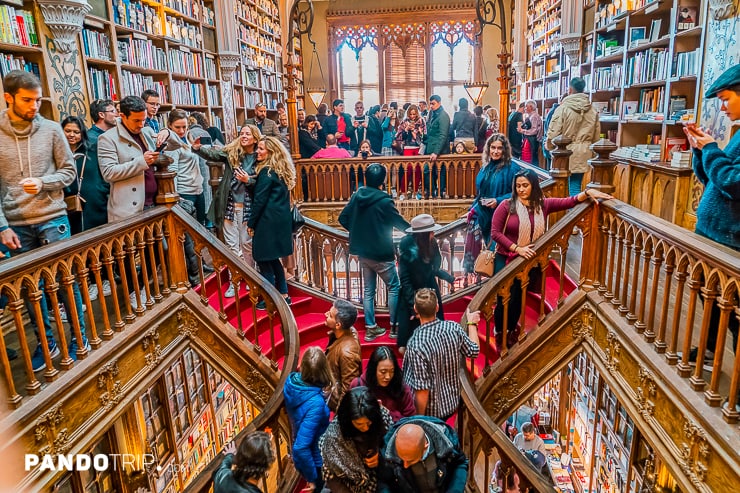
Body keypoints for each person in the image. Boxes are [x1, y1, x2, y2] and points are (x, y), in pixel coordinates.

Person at [0, 70, 89, 371]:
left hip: (52, 217)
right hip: (16, 223)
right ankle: (46, 342)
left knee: (65, 282)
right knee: (28, 289)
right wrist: (2, 226)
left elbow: (69, 172)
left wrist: (44, 182)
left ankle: (80, 338)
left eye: (38, 100)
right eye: (27, 100)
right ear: (8, 98)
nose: (34, 105)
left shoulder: (51, 130)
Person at [489, 170, 612, 346]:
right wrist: (517, 248)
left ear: (533, 185)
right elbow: (495, 233)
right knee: (504, 299)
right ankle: (500, 331)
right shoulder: (506, 206)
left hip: (528, 261)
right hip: (506, 258)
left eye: (525, 185)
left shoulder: (542, 205)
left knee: (519, 297)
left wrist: (587, 193)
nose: (521, 189)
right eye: (518, 186)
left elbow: (568, 201)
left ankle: (510, 330)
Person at [683, 63, 740, 367]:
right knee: (714, 301)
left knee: (734, 314)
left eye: (726, 98)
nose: (722, 106)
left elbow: (734, 182)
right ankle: (708, 351)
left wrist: (711, 149)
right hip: (714, 235)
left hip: (729, 239)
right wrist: (699, 149)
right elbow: (713, 179)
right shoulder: (738, 134)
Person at [338, 163, 410, 342]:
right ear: (383, 180)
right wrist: (415, 230)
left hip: (362, 252)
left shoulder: (357, 196)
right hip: (382, 252)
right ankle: (394, 328)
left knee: (369, 290)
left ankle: (370, 329)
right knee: (394, 287)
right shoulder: (385, 200)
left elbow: (342, 218)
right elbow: (399, 222)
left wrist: (357, 233)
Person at [194, 124, 262, 292]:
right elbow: (214, 154)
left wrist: (248, 180)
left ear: (255, 137)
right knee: (232, 246)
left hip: (249, 207)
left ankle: (251, 278)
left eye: (247, 134)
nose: (244, 136)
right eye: (241, 133)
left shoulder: (260, 157)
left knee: (247, 245)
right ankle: (235, 281)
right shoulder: (233, 153)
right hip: (229, 205)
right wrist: (198, 148)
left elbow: (262, 183)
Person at [403, 289, 481, 420]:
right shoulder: (453, 328)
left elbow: (422, 389)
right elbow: (474, 351)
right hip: (451, 403)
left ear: (415, 309)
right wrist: (471, 323)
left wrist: (419, 420)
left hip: (430, 412)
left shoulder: (416, 345)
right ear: (437, 307)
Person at [247, 136, 295, 309]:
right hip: (279, 222)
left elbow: (260, 200)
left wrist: (251, 223)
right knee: (273, 259)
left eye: (261, 149)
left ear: (271, 152)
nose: (257, 151)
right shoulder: (278, 170)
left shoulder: (267, 172)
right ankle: (283, 294)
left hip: (267, 223)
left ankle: (270, 300)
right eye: (257, 148)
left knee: (262, 260)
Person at [396, 214, 455, 348]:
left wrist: (449, 278)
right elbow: (405, 280)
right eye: (431, 232)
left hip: (430, 289)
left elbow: (433, 268)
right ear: (422, 234)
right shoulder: (406, 248)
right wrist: (415, 307)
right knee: (408, 340)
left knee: (434, 335)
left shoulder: (432, 243)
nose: (433, 234)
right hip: (412, 294)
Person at [319, 386, 393, 493]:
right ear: (348, 419)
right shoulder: (334, 437)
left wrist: (380, 458)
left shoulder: (382, 417)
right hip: (347, 485)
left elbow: (392, 452)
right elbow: (332, 478)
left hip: (379, 478)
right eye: (359, 424)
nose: (365, 428)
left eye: (368, 423)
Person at [283, 346, 333, 491]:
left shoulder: (291, 382)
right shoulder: (316, 404)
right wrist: (312, 479)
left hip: (304, 437)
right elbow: (301, 447)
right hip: (317, 460)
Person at [378, 417, 469, 493]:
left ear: (425, 446)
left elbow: (460, 463)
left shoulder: (448, 442)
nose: (405, 465)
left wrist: (454, 490)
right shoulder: (387, 453)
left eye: (411, 460)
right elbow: (383, 480)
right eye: (401, 457)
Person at [545, 77, 600, 194]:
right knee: (576, 183)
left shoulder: (563, 108)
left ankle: (573, 211)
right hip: (584, 151)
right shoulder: (592, 110)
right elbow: (596, 136)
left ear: (569, 90)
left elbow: (554, 131)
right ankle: (573, 209)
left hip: (564, 152)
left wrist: (549, 146)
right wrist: (593, 152)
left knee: (562, 186)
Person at [469, 134, 521, 249]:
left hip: (504, 219)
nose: (495, 151)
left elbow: (519, 194)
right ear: (488, 149)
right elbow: (481, 194)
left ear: (504, 150)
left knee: (496, 252)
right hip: (486, 217)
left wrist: (497, 201)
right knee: (489, 252)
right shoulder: (485, 167)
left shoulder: (513, 168)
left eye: (499, 148)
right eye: (493, 147)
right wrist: (471, 210)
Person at [351, 346, 416, 421]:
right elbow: (348, 414)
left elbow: (411, 420)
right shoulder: (358, 384)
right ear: (374, 370)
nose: (388, 377)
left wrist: (387, 413)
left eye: (392, 371)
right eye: (383, 372)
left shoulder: (401, 388)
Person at [83, 99, 117, 232]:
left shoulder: (109, 136)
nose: (116, 115)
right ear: (102, 115)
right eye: (113, 111)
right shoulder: (92, 139)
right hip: (99, 200)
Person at [324, 298, 361, 411]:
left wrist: (339, 418)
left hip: (332, 395)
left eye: (330, 315)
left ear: (338, 325)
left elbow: (348, 388)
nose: (325, 314)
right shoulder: (346, 331)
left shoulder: (347, 353)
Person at [60, 115, 88, 235]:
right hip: (64, 202)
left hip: (89, 203)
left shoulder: (89, 150)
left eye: (76, 132)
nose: (71, 135)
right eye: (67, 131)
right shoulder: (57, 152)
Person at [424, 95, 450, 198]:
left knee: (440, 173)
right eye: (430, 104)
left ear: (439, 103)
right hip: (431, 149)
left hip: (440, 151)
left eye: (433, 104)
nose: (431, 106)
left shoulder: (443, 116)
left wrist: (436, 152)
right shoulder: (433, 114)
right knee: (429, 171)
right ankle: (433, 192)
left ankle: (438, 193)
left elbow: (442, 135)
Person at [519, 100, 543, 166]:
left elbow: (534, 131)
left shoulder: (534, 116)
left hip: (532, 140)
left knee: (530, 159)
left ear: (531, 107)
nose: (525, 108)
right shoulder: (530, 116)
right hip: (529, 139)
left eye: (526, 106)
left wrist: (522, 131)